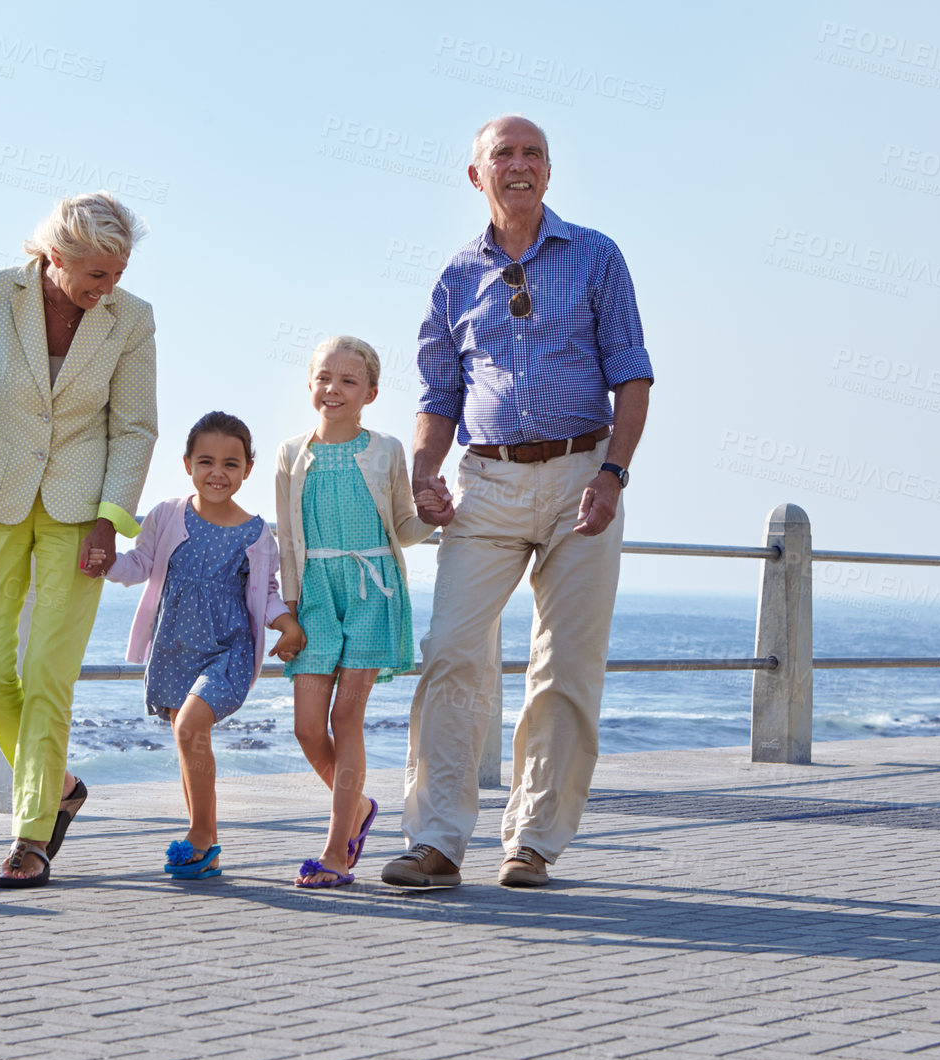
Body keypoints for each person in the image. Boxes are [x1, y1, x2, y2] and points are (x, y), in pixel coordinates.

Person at [390, 115, 654, 890]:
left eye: (532, 153)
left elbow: (632, 375)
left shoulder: (598, 256)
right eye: (502, 154)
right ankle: (436, 840)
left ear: (549, 171)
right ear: (477, 176)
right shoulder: (453, 277)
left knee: (565, 667)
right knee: (451, 655)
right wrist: (424, 470)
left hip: (582, 475)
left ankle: (533, 842)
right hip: (487, 481)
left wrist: (613, 475)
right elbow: (439, 393)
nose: (518, 165)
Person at [0, 191, 157, 890]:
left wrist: (113, 517)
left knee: (49, 673)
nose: (108, 289)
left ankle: (30, 837)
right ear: (55, 256)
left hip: (83, 512)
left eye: (117, 273)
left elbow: (135, 426)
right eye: (95, 275)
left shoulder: (132, 319)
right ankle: (62, 788)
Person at [98, 412, 305, 880]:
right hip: (174, 647)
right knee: (187, 736)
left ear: (247, 469)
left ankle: (200, 834)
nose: (218, 472)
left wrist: (286, 624)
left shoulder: (256, 533)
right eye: (206, 461)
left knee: (191, 724)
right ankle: (206, 844)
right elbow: (139, 565)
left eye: (231, 464)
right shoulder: (167, 515)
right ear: (187, 463)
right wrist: (104, 562)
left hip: (226, 650)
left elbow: (267, 591)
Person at [275, 337, 433, 889]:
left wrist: (437, 514)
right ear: (310, 384)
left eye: (347, 381)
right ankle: (361, 808)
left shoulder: (387, 449)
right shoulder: (292, 454)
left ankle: (337, 851)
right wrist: (288, 612)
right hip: (316, 595)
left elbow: (405, 527)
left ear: (369, 391)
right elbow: (288, 543)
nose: (333, 389)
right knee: (306, 727)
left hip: (372, 592)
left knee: (347, 720)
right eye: (323, 377)